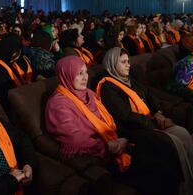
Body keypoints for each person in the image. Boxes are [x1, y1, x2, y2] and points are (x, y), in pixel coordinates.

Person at [46, 56, 182, 195]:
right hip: (104, 155)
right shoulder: (58, 105)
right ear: (66, 75)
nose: (85, 77)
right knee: (159, 170)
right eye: (79, 73)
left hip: (118, 142)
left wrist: (123, 138)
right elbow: (75, 140)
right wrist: (108, 146)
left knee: (162, 150)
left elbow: (109, 122)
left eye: (85, 72)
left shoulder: (88, 94)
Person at [96, 47, 193, 195]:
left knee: (183, 133)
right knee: (176, 142)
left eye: (128, 61)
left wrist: (158, 113)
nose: (128, 65)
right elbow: (126, 116)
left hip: (150, 122)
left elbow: (149, 94)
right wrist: (155, 122)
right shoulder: (108, 88)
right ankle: (185, 190)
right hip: (135, 130)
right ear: (111, 64)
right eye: (123, 62)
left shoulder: (128, 80)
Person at [0, 34, 24, 113]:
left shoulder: (4, 61)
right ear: (8, 50)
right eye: (15, 52)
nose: (17, 56)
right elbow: (3, 98)